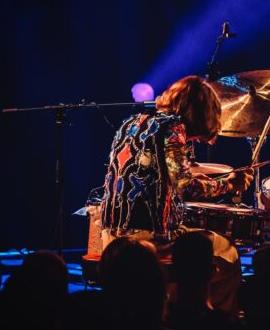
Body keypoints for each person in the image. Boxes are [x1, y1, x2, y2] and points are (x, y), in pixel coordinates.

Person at [98, 75, 253, 311]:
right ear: (200, 111)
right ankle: (213, 322)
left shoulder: (130, 122)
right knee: (226, 252)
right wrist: (229, 184)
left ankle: (171, 309)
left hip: (110, 237)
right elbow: (186, 188)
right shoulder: (174, 128)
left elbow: (151, 173)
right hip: (148, 238)